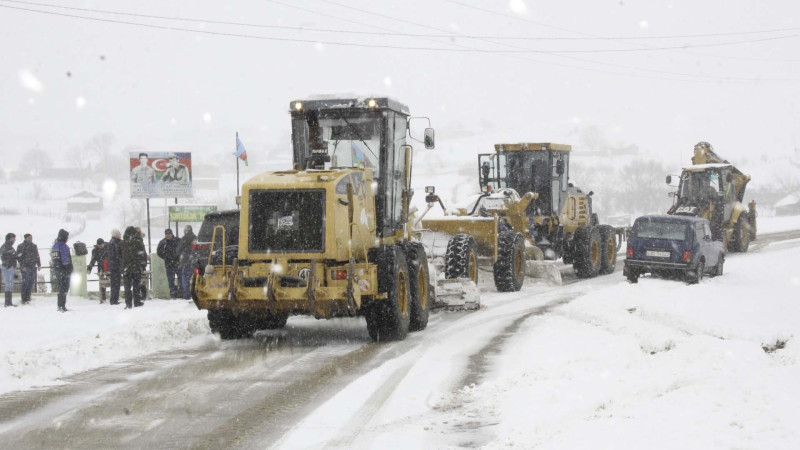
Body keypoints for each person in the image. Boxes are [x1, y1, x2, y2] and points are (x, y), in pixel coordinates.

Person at [120, 226, 146, 309]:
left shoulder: (122, 243)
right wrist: (142, 265)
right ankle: (137, 302)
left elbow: (119, 255)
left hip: (126, 268)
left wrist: (124, 263)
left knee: (127, 287)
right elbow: (142, 254)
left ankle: (128, 304)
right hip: (136, 267)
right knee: (136, 286)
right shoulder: (138, 242)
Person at [50, 229, 73, 312]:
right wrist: (69, 268)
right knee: (65, 287)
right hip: (64, 270)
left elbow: (54, 258)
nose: (67, 239)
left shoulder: (55, 246)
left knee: (60, 288)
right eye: (67, 237)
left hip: (57, 269)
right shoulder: (64, 246)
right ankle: (62, 306)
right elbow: (65, 259)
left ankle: (59, 306)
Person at [16, 233, 41, 305]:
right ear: (25, 238)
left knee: (31, 282)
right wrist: (22, 266)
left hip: (33, 266)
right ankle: (23, 298)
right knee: (25, 282)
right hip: (25, 267)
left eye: (31, 238)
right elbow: (19, 258)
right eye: (29, 238)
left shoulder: (34, 246)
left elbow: (37, 255)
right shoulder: (20, 246)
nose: (30, 239)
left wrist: (39, 264)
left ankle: (28, 297)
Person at [157, 228, 180, 298]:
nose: (168, 236)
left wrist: (178, 257)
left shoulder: (177, 240)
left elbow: (182, 249)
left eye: (169, 234)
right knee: (170, 280)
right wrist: (165, 257)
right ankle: (173, 294)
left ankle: (180, 293)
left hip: (177, 263)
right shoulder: (163, 242)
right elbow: (159, 252)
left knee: (181, 279)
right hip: (169, 264)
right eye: (166, 234)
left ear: (171, 234)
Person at [87, 238, 108, 303]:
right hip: (101, 268)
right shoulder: (95, 250)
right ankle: (103, 298)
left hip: (109, 268)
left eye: (101, 245)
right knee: (102, 284)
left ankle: (114, 297)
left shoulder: (109, 247)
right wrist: (89, 269)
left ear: (103, 243)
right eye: (99, 245)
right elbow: (93, 260)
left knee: (112, 283)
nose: (100, 246)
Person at [177, 225, 196, 299]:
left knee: (185, 277)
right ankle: (193, 293)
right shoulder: (195, 237)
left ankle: (187, 294)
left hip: (185, 261)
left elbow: (178, 249)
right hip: (194, 260)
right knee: (192, 277)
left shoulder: (184, 238)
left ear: (186, 230)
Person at [1, 233, 18, 307]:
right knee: (8, 284)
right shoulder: (5, 246)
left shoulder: (10, 246)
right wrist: (14, 256)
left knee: (10, 284)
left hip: (11, 266)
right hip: (8, 267)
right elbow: (4, 256)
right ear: (9, 238)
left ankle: (9, 302)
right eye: (13, 238)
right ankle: (7, 302)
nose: (14, 239)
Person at [106, 229, 122, 305]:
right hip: (115, 266)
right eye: (119, 234)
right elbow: (115, 255)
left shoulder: (114, 242)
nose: (120, 235)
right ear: (115, 235)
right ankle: (113, 300)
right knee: (115, 284)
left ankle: (115, 299)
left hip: (115, 266)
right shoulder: (113, 243)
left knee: (116, 284)